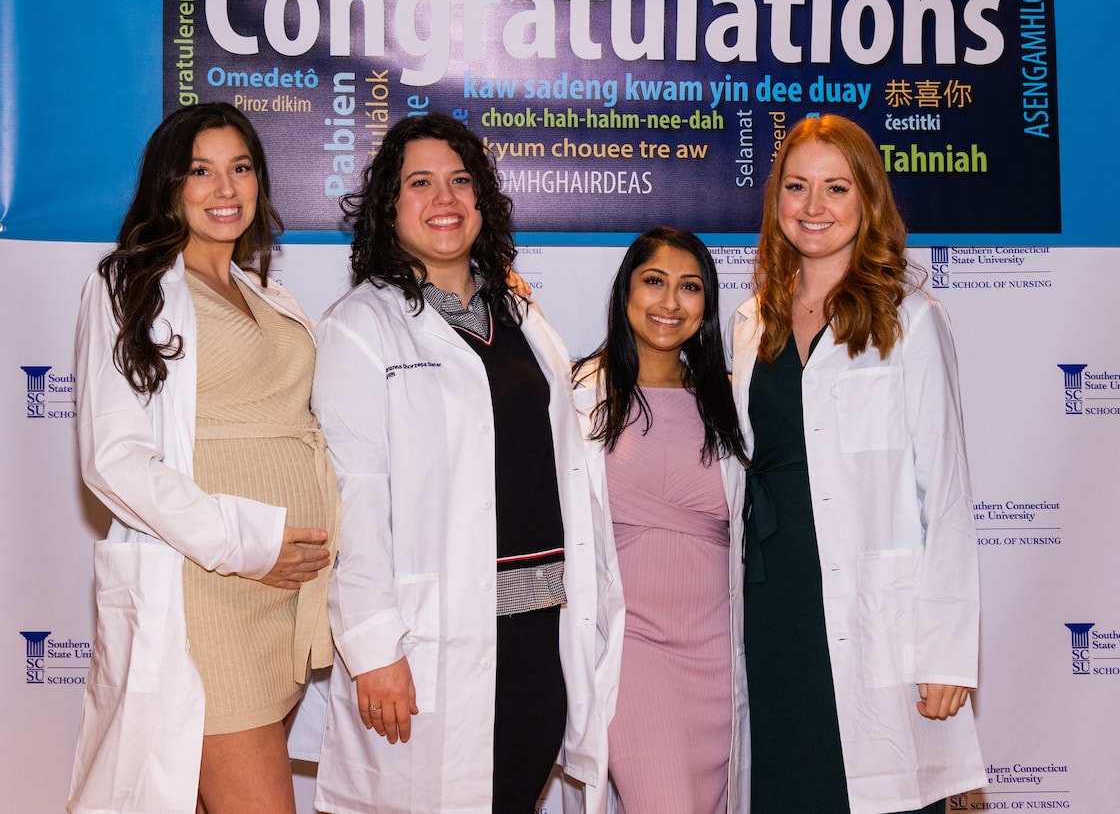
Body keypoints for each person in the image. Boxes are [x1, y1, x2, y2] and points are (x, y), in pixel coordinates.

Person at [311, 113, 623, 814]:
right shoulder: (361, 326)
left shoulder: (518, 314)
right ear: (390, 207)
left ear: (483, 200)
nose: (444, 197)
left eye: (460, 180)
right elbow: (354, 498)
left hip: (537, 629)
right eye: (419, 183)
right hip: (431, 636)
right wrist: (371, 645)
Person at [69, 102, 338, 814]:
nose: (226, 188)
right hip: (206, 590)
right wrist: (246, 544)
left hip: (283, 599)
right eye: (201, 170)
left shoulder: (268, 293)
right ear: (170, 185)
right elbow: (114, 459)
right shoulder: (128, 285)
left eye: (241, 168)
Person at [729, 114, 985, 814]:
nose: (813, 208)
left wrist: (947, 651)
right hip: (775, 599)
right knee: (789, 783)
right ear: (775, 199)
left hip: (879, 609)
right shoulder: (752, 320)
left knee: (882, 791)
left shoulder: (911, 319)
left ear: (867, 198)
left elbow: (948, 496)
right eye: (797, 187)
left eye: (835, 188)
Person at [572, 227, 750, 814]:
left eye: (689, 288)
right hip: (633, 652)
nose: (670, 304)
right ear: (626, 292)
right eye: (654, 282)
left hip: (719, 655)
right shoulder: (580, 395)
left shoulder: (731, 403)